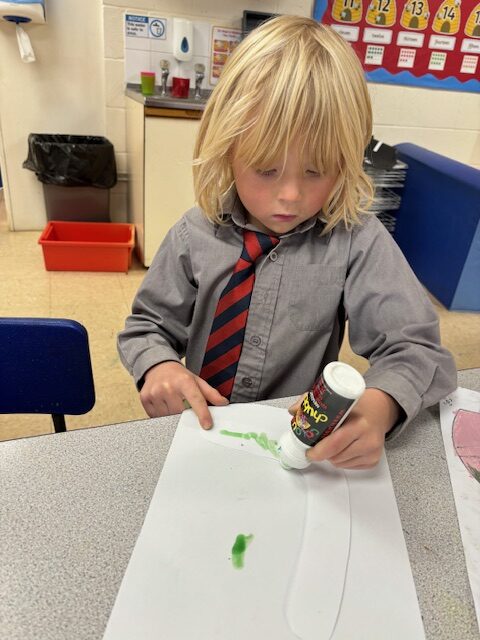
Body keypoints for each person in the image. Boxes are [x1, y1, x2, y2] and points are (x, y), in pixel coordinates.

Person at [118, 15, 457, 470]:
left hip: (297, 451)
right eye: (265, 168)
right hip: (201, 437)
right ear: (227, 149)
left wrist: (381, 407)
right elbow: (147, 327)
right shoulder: (193, 233)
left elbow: (416, 349)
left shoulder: (357, 240)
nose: (291, 195)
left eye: (316, 171)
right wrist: (158, 366)